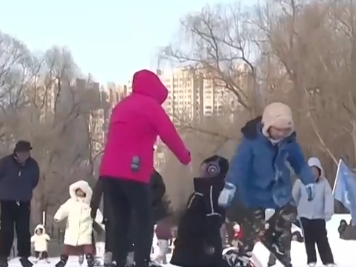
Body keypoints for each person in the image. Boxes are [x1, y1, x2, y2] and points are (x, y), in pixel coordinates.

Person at [98, 70, 191, 267]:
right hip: (133, 171)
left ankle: (119, 261)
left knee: (120, 220)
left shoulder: (121, 106)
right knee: (144, 219)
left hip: (109, 172)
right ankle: (141, 262)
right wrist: (185, 157)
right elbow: (169, 134)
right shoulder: (151, 107)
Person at [217, 103, 316, 267]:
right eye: (277, 129)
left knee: (289, 213)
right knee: (255, 221)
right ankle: (244, 252)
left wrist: (309, 181)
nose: (281, 134)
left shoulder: (289, 142)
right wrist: (230, 186)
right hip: (254, 193)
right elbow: (239, 165)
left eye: (285, 130)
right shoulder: (251, 142)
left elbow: (299, 162)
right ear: (267, 126)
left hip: (279, 191)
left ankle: (281, 245)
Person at [169, 155, 230, 267]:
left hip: (199, 253)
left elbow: (214, 218)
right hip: (191, 249)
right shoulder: (202, 190)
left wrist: (211, 246)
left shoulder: (211, 190)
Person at [0, 140, 41, 267]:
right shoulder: (5, 163)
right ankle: (3, 256)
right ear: (17, 152)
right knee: (6, 229)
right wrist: (4, 190)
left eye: (27, 152)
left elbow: (35, 180)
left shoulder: (32, 165)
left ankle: (24, 256)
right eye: (22, 152)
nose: (25, 155)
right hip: (7, 200)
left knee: (23, 229)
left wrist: (26, 190)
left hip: (24, 201)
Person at [292, 157, 336, 267]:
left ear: (319, 171)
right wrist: (293, 211)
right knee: (308, 239)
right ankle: (311, 260)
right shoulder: (300, 181)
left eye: (316, 171)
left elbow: (328, 197)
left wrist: (328, 211)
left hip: (319, 216)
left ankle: (328, 261)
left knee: (322, 239)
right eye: (311, 170)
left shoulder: (324, 183)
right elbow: (294, 197)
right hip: (304, 215)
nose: (313, 173)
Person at [54, 181, 102, 267]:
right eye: (77, 191)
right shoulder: (71, 202)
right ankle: (63, 260)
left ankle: (90, 259)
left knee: (87, 245)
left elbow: (96, 213)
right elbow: (63, 209)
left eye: (81, 191)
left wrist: (102, 221)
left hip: (85, 228)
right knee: (68, 245)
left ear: (86, 192)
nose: (79, 193)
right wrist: (58, 216)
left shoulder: (89, 204)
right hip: (72, 228)